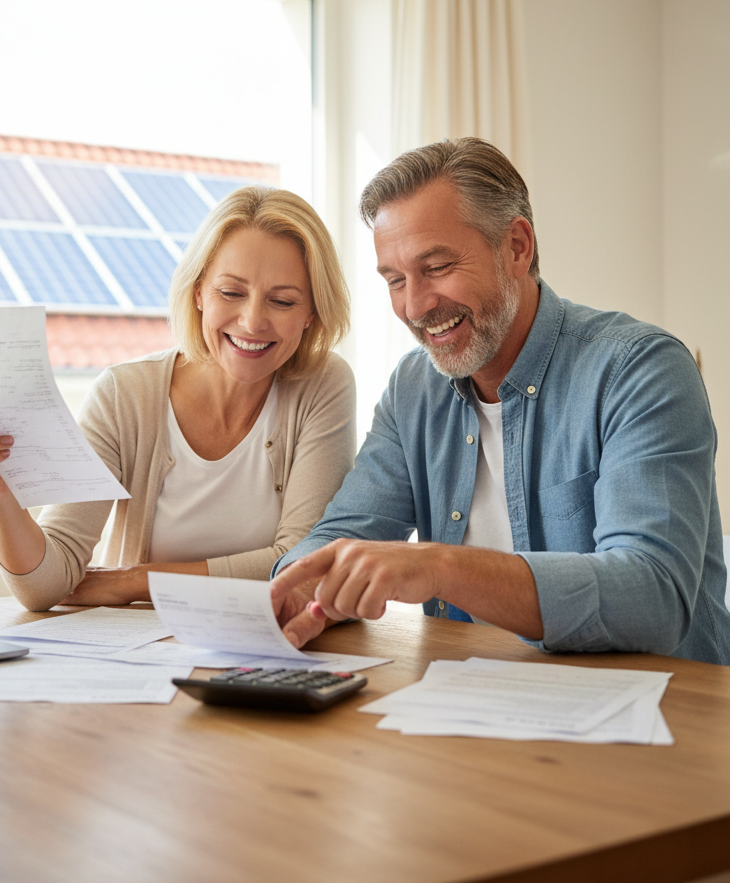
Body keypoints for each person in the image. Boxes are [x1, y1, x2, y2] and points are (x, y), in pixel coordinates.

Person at [271, 138, 730, 665]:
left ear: (516, 246)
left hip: (663, 714)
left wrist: (441, 567)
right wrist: (298, 587)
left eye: (437, 267)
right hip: (478, 706)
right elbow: (343, 534)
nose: (415, 305)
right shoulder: (412, 389)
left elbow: (653, 597)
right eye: (395, 280)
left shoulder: (640, 370)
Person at [0, 186, 355, 610]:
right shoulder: (125, 396)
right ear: (198, 292)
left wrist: (134, 581)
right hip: (139, 657)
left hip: (262, 653)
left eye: (283, 300)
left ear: (312, 313)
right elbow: (44, 589)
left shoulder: (323, 385)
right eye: (231, 293)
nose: (252, 321)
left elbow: (301, 565)